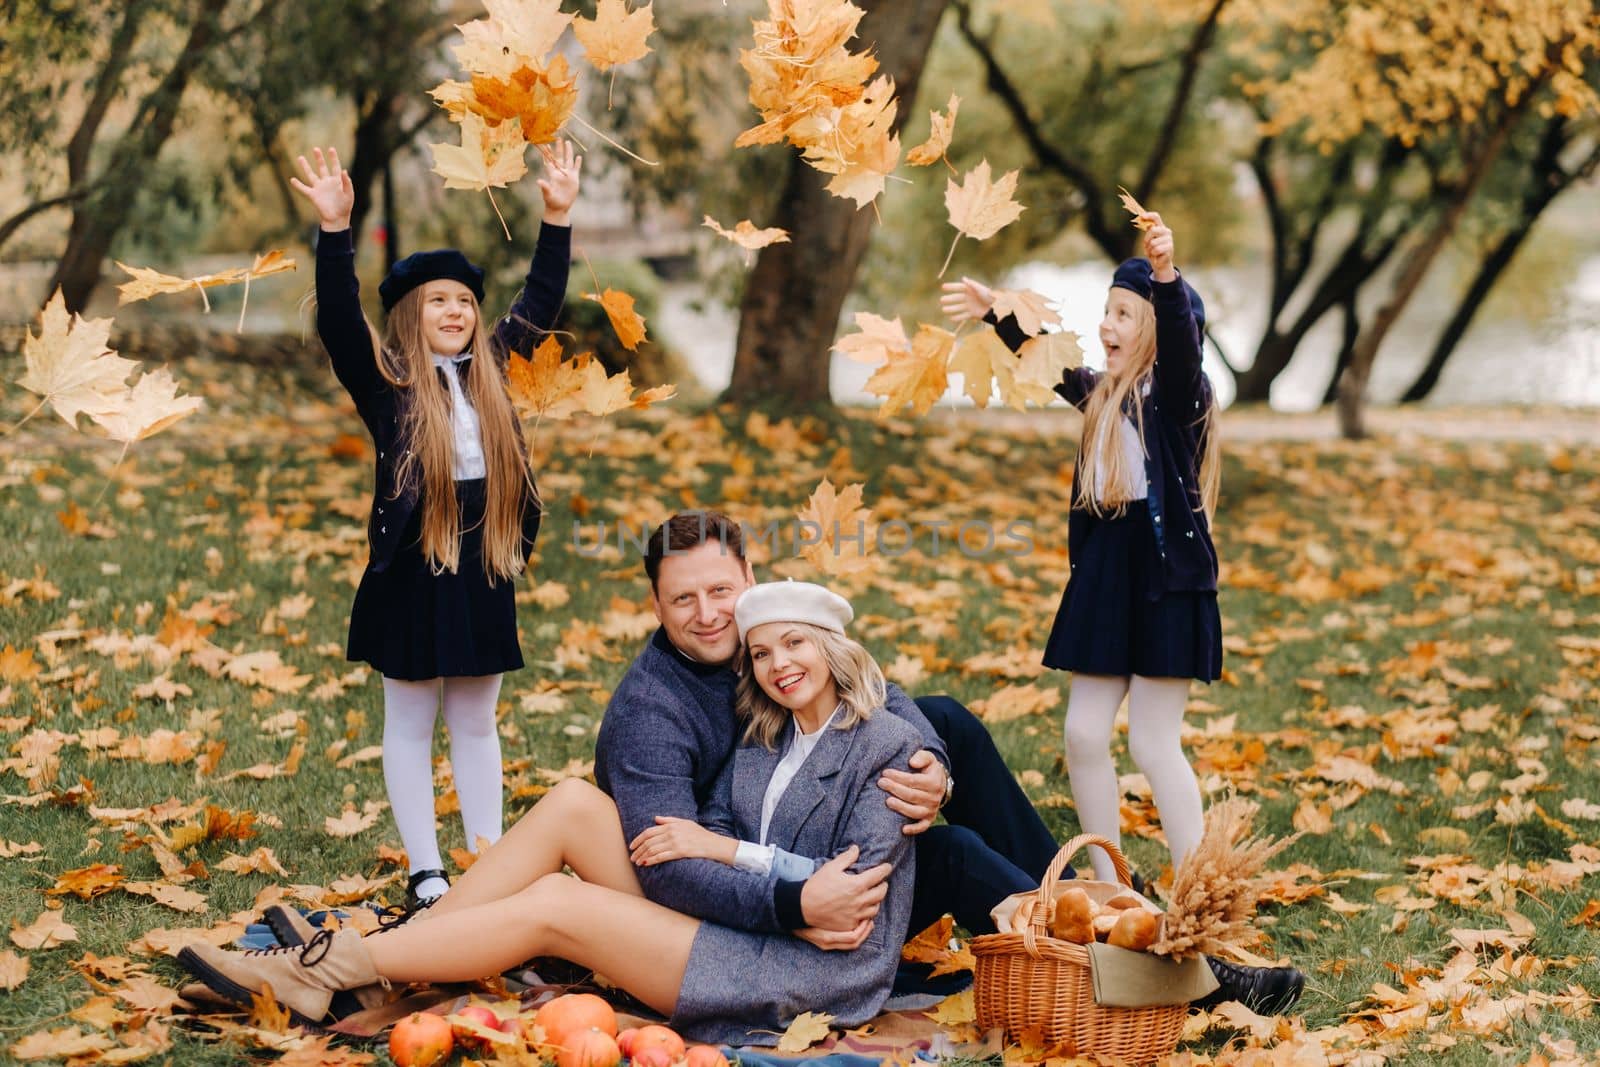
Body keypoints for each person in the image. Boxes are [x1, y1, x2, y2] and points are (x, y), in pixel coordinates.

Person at [600, 511, 1303, 1012]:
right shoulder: (651, 716)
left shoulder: (770, 639)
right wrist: (796, 904)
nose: (709, 613)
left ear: (749, 578)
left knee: (948, 723)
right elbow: (672, 870)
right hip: (762, 891)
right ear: (655, 605)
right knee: (958, 854)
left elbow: (871, 688)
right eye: (683, 599)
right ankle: (1162, 971)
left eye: (720, 590)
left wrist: (932, 763)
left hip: (819, 820)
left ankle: (1095, 907)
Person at [177, 582, 924, 1046]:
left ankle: (334, 966)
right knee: (572, 800)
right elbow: (727, 831)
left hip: (815, 967)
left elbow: (845, 894)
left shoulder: (893, 746)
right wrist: (727, 854)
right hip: (752, 920)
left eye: (794, 644)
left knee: (557, 903)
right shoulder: (766, 731)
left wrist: (729, 857)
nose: (776, 663)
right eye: (761, 651)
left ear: (832, 648)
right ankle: (402, 954)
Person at [942, 215, 1301, 1011]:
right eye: (1106, 312)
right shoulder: (1103, 394)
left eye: (1123, 316)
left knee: (1151, 739)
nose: (1108, 327)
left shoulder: (1181, 395)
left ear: (1158, 331)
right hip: (1108, 575)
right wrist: (999, 311)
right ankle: (1114, 886)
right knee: (1080, 733)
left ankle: (1200, 893)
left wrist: (1165, 278)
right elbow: (1050, 365)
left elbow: (1178, 345)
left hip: (1168, 580)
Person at [288, 143, 581, 910]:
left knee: (477, 718)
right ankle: (427, 870)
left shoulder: (492, 366)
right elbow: (341, 327)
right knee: (412, 719)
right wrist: (335, 230)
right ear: (410, 318)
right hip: (416, 565)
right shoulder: (386, 387)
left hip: (483, 559)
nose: (452, 311)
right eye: (434, 301)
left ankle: (486, 859)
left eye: (462, 299)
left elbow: (543, 298)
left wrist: (557, 216)